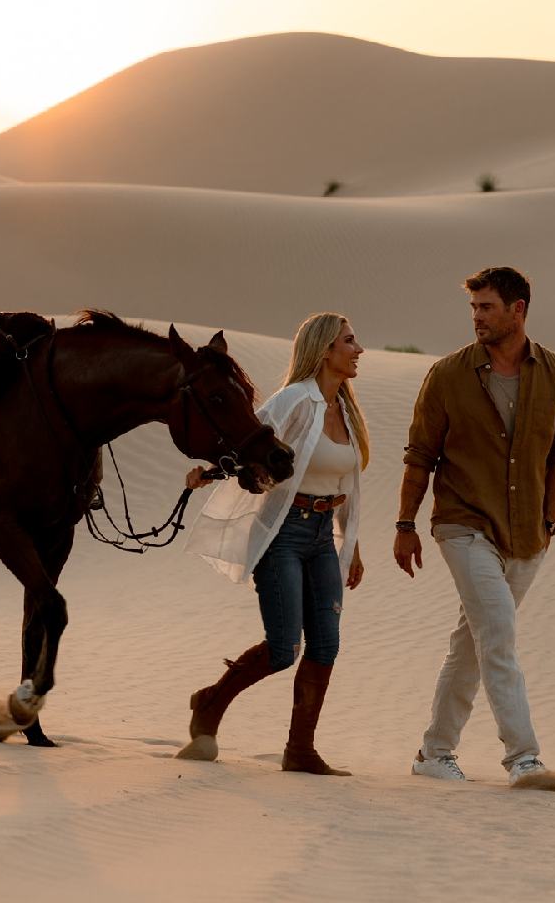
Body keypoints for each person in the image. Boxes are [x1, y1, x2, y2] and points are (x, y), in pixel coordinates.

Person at [394, 266, 555, 790]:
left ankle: (434, 751)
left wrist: (548, 520)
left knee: (471, 646)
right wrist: (405, 523)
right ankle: (523, 757)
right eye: (473, 308)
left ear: (518, 310)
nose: (476, 317)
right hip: (462, 524)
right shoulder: (448, 374)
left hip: (527, 535)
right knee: (498, 636)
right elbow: (419, 454)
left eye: (487, 307)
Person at [175, 312, 369, 775]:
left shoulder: (345, 407)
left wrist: (352, 544)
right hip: (284, 532)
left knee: (326, 645)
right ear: (325, 350)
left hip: (324, 537)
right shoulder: (294, 401)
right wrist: (211, 472)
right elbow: (248, 439)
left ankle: (300, 751)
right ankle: (210, 702)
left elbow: (346, 479)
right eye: (349, 341)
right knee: (284, 649)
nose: (358, 349)